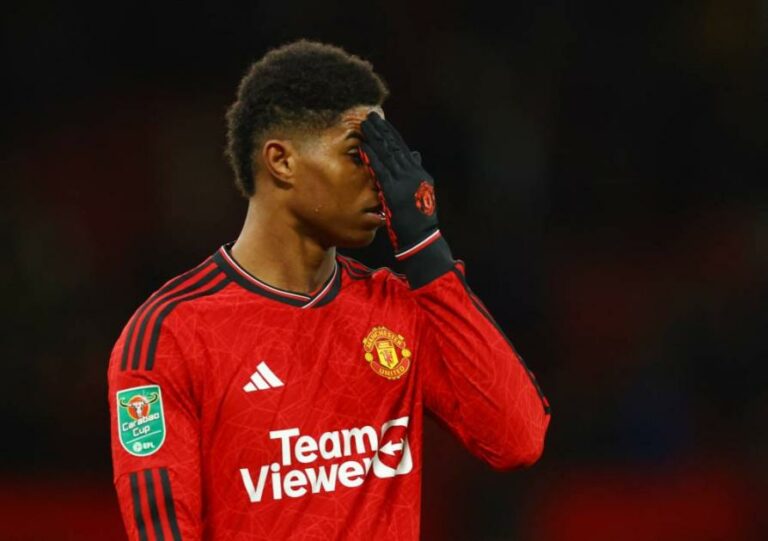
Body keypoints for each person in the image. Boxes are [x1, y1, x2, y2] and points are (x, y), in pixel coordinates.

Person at [108, 39, 551, 541]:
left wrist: (428, 253)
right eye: (358, 154)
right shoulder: (170, 335)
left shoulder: (398, 308)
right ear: (282, 161)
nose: (381, 181)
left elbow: (518, 440)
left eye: (386, 159)